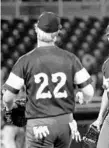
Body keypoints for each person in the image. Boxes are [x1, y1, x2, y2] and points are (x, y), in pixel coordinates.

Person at [2, 11, 94, 148]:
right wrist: (82, 96)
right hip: (65, 124)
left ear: (36, 30)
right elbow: (89, 92)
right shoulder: (71, 58)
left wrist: (10, 110)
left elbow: (8, 97)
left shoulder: (25, 61)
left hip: (39, 125)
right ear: (56, 34)